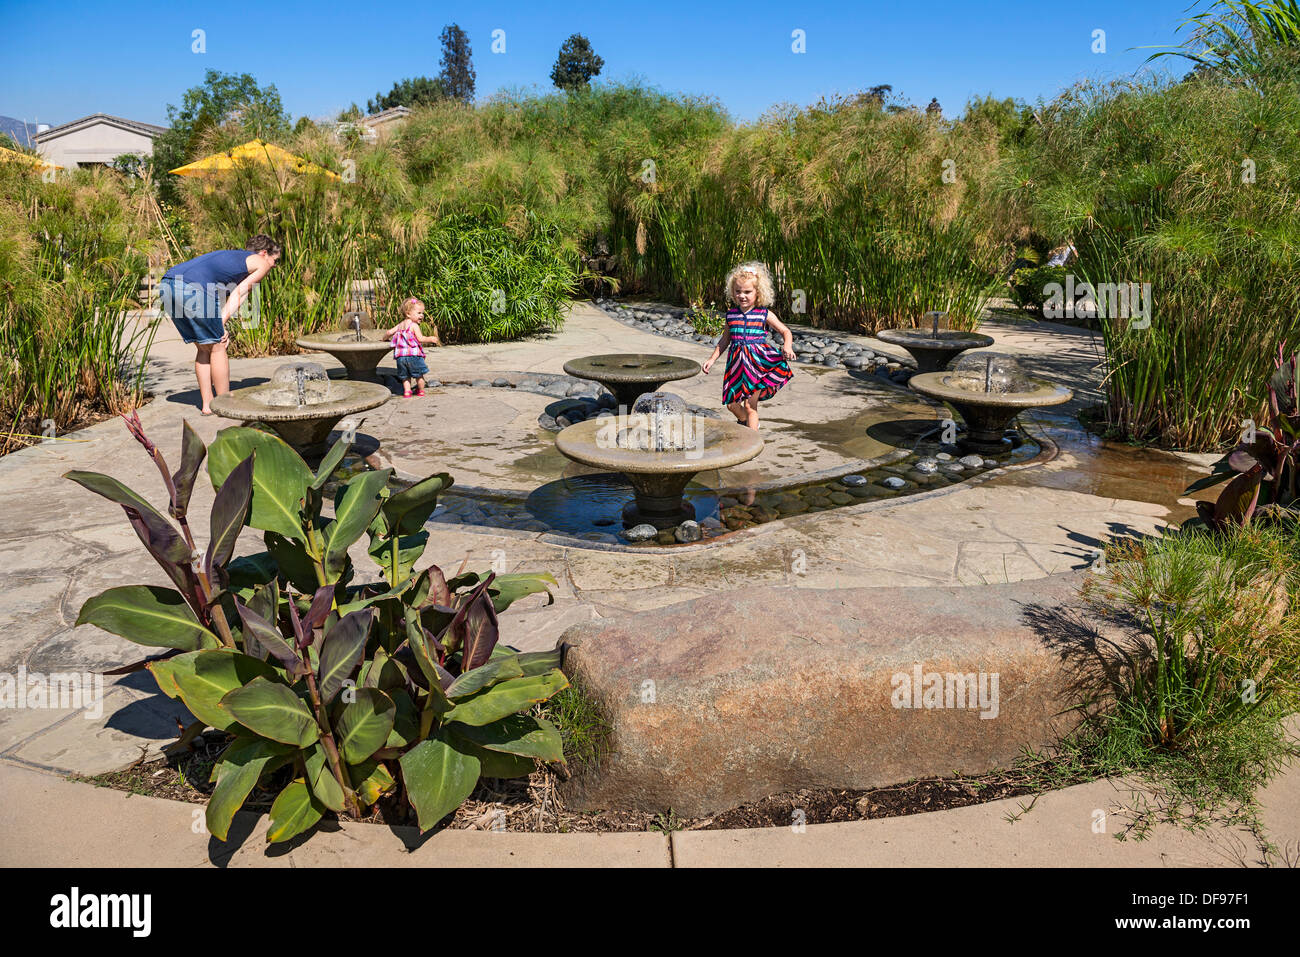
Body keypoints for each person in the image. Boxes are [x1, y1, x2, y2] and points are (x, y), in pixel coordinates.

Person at [159, 235, 282, 415]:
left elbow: (227, 298)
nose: (273, 266)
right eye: (274, 260)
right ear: (264, 253)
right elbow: (240, 293)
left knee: (204, 347)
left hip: (167, 284)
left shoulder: (232, 259)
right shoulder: (260, 262)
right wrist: (220, 325)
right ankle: (225, 404)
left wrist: (220, 324)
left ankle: (208, 404)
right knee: (218, 346)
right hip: (192, 287)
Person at [701, 261, 794, 430]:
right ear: (732, 292)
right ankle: (746, 423)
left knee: (751, 406)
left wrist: (787, 347)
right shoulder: (731, 315)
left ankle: (752, 441)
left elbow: (785, 331)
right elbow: (724, 341)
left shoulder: (764, 314)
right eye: (738, 291)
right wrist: (712, 359)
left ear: (758, 292)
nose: (742, 295)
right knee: (731, 404)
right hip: (735, 366)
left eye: (747, 292)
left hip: (757, 365)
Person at [385, 297, 441, 397]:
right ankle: (421, 391)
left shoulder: (400, 325)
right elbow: (420, 338)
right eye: (419, 313)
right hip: (413, 356)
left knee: (405, 377)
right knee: (419, 375)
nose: (422, 315)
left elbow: (388, 332)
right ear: (408, 314)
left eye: (422, 313)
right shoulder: (414, 325)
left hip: (401, 357)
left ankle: (407, 391)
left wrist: (384, 339)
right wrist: (431, 339)